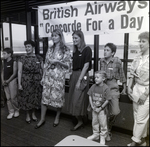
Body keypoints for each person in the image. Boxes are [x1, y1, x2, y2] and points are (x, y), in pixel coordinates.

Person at [35, 29, 71, 129]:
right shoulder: (50, 49)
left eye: (56, 35)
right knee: (44, 97)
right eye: (53, 35)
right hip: (48, 76)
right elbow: (46, 64)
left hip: (58, 77)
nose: (54, 37)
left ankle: (57, 117)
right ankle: (42, 119)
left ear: (60, 36)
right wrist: (43, 77)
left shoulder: (66, 50)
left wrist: (58, 62)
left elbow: (68, 65)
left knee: (58, 98)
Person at [99, 43, 126, 141]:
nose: (105, 52)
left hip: (114, 88)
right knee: (104, 111)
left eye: (107, 50)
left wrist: (125, 87)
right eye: (104, 49)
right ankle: (106, 131)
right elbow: (99, 75)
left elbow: (122, 74)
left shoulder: (117, 61)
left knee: (115, 112)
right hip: (103, 88)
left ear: (113, 53)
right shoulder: (101, 61)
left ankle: (108, 127)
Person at [67, 30, 92, 131]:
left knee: (79, 99)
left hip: (83, 75)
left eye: (76, 38)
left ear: (81, 38)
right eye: (73, 38)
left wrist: (79, 80)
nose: (74, 40)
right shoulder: (75, 50)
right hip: (74, 75)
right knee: (74, 99)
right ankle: (81, 119)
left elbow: (86, 66)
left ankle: (81, 120)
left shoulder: (87, 49)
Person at [127, 31, 149, 146]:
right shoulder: (137, 57)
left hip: (147, 91)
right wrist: (129, 86)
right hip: (136, 89)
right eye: (139, 41)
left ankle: (134, 142)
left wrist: (146, 94)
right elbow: (131, 73)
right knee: (137, 116)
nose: (140, 44)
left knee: (141, 118)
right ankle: (142, 140)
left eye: (143, 41)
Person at [18, 40, 43, 123]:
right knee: (27, 98)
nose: (27, 48)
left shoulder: (39, 58)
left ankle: (33, 114)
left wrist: (42, 80)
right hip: (26, 81)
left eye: (29, 47)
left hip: (37, 81)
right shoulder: (22, 58)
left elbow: (42, 70)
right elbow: (19, 71)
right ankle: (28, 115)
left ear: (33, 47)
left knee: (35, 98)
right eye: (26, 47)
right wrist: (19, 84)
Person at [87, 70, 111, 145]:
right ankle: (96, 134)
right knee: (95, 122)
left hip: (102, 110)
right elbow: (90, 96)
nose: (95, 79)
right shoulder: (93, 86)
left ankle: (103, 136)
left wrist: (100, 108)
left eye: (97, 77)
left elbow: (107, 100)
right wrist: (92, 106)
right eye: (95, 77)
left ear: (103, 79)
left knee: (103, 123)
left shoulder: (106, 88)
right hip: (94, 108)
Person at [1, 48, 19, 119]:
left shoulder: (14, 62)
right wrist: (2, 81)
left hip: (12, 81)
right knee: (8, 98)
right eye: (3, 53)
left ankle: (16, 110)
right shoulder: (4, 61)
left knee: (13, 97)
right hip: (5, 81)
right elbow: (2, 72)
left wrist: (8, 81)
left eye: (4, 53)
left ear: (9, 54)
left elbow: (14, 73)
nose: (3, 55)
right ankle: (11, 111)